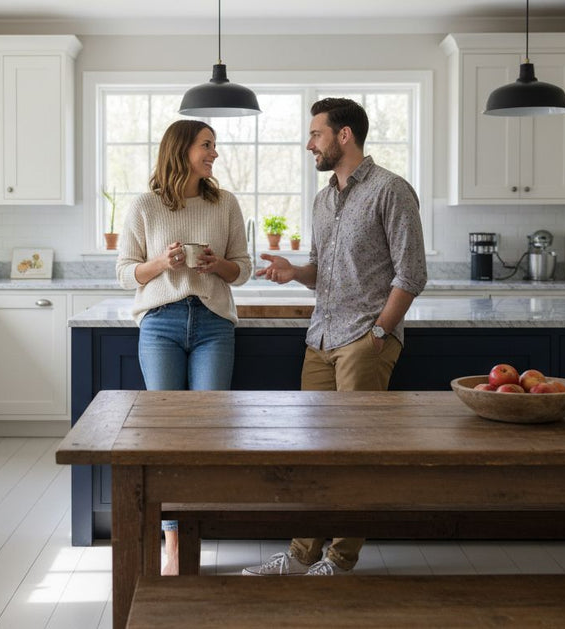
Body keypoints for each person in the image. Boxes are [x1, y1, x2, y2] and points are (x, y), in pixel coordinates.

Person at [243, 97, 428, 577]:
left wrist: (380, 333)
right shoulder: (324, 199)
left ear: (344, 135)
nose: (309, 144)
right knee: (311, 454)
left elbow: (412, 274)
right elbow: (324, 271)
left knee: (356, 455)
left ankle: (339, 561)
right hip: (320, 340)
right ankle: (302, 554)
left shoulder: (392, 190)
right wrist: (295, 272)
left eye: (316, 134)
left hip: (363, 342)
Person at [116, 119, 252, 575]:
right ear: (182, 150)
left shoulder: (225, 203)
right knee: (167, 435)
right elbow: (124, 273)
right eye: (207, 145)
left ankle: (194, 530)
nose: (215, 153)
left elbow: (244, 270)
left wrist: (218, 265)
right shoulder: (145, 206)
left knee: (208, 433)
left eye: (214, 145)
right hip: (161, 325)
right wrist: (160, 263)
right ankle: (172, 540)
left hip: (214, 323)